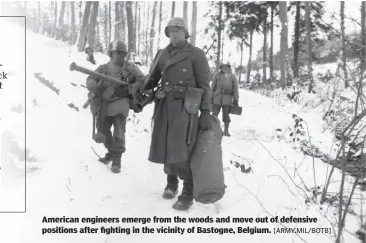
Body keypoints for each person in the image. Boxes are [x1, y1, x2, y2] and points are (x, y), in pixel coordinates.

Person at [141, 17, 213, 211]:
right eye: (171, 30)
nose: (174, 33)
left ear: (186, 33)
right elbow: (150, 80)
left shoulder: (196, 54)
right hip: (164, 105)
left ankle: (188, 191)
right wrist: (147, 91)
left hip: (185, 106)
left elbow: (205, 85)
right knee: (165, 143)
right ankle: (171, 182)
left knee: (182, 147)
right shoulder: (162, 53)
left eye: (178, 30)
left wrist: (206, 111)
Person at [85, 40, 145, 173]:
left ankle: (117, 158)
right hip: (104, 104)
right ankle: (111, 151)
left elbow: (142, 81)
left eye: (121, 53)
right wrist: (97, 88)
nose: (117, 56)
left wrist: (129, 90)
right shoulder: (103, 68)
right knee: (102, 129)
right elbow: (90, 79)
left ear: (125, 54)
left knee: (119, 130)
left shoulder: (131, 69)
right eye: (115, 53)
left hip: (121, 102)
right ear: (110, 54)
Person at [211, 62, 239, 136]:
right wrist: (210, 97)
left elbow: (235, 89)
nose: (225, 68)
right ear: (220, 68)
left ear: (229, 67)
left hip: (227, 99)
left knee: (226, 115)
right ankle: (214, 129)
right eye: (223, 67)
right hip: (217, 98)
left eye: (226, 67)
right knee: (214, 115)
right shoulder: (217, 75)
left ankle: (226, 131)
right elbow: (212, 87)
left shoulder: (233, 76)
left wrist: (235, 100)